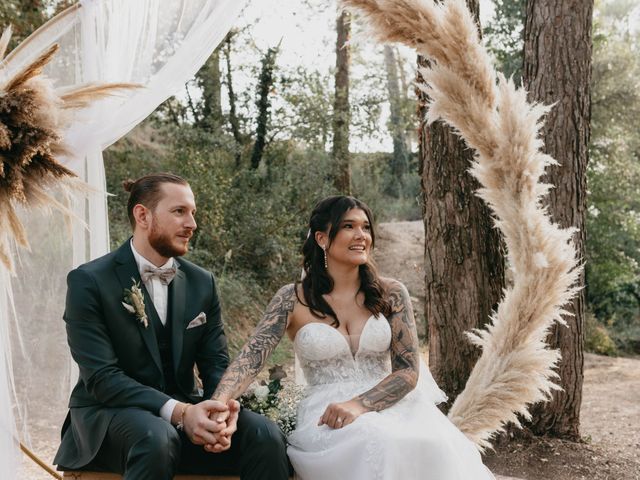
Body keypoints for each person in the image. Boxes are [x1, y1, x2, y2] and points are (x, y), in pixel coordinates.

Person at [212, 195, 495, 479]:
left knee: (430, 443)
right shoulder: (292, 298)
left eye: (366, 227)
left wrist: (360, 404)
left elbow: (408, 371)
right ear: (322, 238)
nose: (362, 235)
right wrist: (218, 403)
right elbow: (250, 358)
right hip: (327, 413)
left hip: (394, 404)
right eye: (349, 226)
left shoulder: (392, 293)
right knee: (375, 439)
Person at [53, 173, 290, 480]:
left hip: (184, 413)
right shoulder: (89, 281)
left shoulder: (202, 282)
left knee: (265, 433)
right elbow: (102, 378)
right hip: (109, 417)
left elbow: (215, 362)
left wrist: (220, 410)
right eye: (179, 212)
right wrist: (180, 412)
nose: (192, 223)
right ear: (143, 215)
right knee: (156, 437)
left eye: (192, 213)